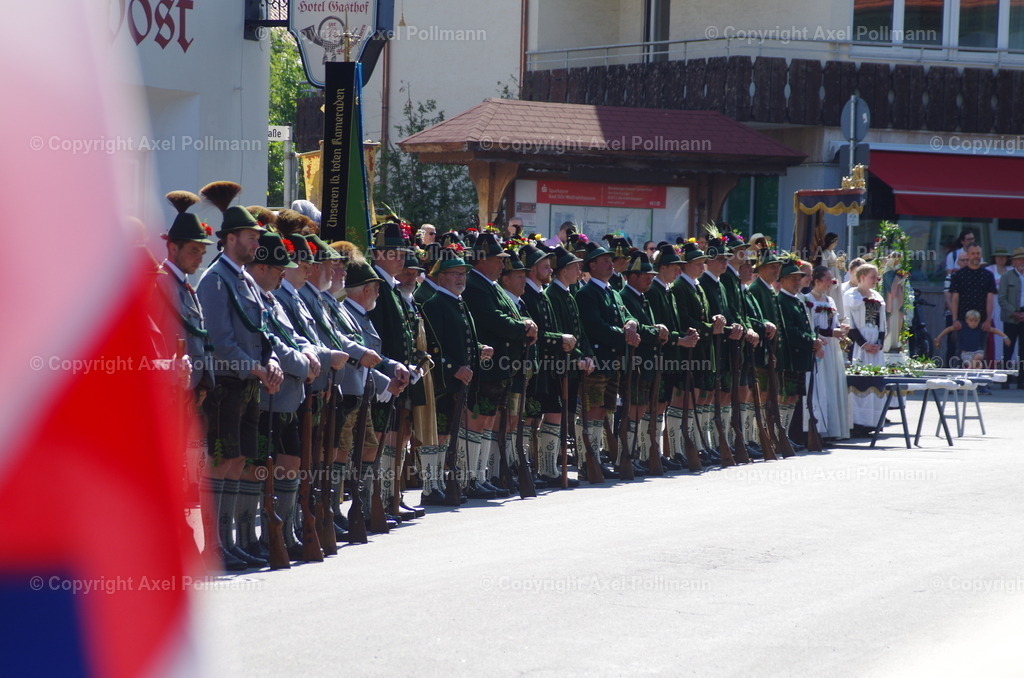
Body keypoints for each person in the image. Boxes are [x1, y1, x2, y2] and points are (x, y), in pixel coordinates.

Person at [195, 181, 283, 571]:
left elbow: (261, 331)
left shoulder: (245, 279)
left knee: (238, 460)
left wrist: (272, 360)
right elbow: (220, 339)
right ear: (230, 239)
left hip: (249, 382)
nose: (255, 244)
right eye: (250, 237)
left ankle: (229, 541)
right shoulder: (216, 280)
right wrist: (257, 367)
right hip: (228, 383)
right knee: (222, 460)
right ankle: (213, 544)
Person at [462, 232, 538, 498]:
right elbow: (492, 318)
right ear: (482, 260)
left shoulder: (491, 285)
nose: (501, 264)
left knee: (488, 421)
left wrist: (525, 323)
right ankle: (470, 478)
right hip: (487, 367)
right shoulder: (475, 285)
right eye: (497, 259)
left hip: (501, 368)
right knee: (478, 420)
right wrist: (522, 328)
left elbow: (511, 313)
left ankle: (482, 475)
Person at [421, 249, 494, 504]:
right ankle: (431, 487)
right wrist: (453, 368)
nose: (461, 278)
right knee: (438, 433)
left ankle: (445, 482)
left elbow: (462, 341)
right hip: (443, 382)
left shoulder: (458, 302)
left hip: (461, 382)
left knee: (449, 433)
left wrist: (479, 348)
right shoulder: (435, 304)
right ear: (441, 278)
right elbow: (431, 347)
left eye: (463, 274)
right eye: (454, 274)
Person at [805, 266, 850, 440]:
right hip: (820, 347)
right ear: (816, 281)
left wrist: (840, 328)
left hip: (832, 349)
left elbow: (832, 324)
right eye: (827, 280)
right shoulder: (808, 300)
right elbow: (811, 326)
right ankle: (818, 428)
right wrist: (832, 333)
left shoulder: (830, 300)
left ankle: (832, 427)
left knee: (832, 384)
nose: (831, 283)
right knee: (821, 385)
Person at [844, 263, 886, 433]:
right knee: (859, 381)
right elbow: (849, 323)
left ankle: (874, 420)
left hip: (874, 343)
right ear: (861, 277)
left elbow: (881, 322)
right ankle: (857, 422)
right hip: (859, 346)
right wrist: (863, 343)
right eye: (872, 277)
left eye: (876, 276)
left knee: (876, 381)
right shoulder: (850, 296)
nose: (876, 280)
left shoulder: (877, 296)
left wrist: (880, 342)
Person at [934, 309, 1010, 370]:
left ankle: (968, 371)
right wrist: (939, 338)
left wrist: (1005, 337)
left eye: (976, 321)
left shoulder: (980, 327)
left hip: (977, 351)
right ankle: (971, 374)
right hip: (966, 353)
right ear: (967, 320)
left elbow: (994, 330)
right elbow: (949, 329)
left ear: (979, 320)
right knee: (978, 366)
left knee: (979, 356)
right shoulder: (962, 326)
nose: (973, 323)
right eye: (971, 321)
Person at [997, 247, 1024, 388]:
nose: (1022, 261)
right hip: (1010, 317)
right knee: (1008, 348)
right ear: (1013, 261)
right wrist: (1014, 312)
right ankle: (1005, 380)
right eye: (1019, 259)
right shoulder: (1006, 276)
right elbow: (1002, 299)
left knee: (1023, 351)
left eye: (1023, 259)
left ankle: (1021, 380)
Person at [986, 248, 1011, 365]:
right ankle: (996, 359)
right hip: (994, 304)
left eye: (1004, 257)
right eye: (999, 257)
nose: (1001, 259)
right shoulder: (989, 270)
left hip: (1008, 304)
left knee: (1009, 330)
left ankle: (1010, 360)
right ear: (995, 258)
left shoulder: (1011, 270)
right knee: (996, 330)